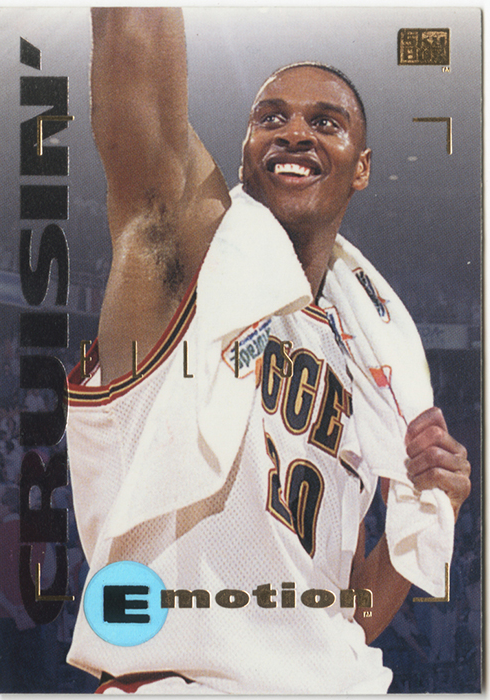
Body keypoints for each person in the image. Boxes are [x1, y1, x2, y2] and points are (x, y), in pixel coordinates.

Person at [66, 8, 471, 694]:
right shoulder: (184, 272)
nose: (295, 132)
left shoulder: (371, 356)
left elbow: (343, 617)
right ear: (247, 149)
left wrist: (434, 502)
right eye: (271, 117)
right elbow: (138, 79)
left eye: (326, 122)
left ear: (363, 167)